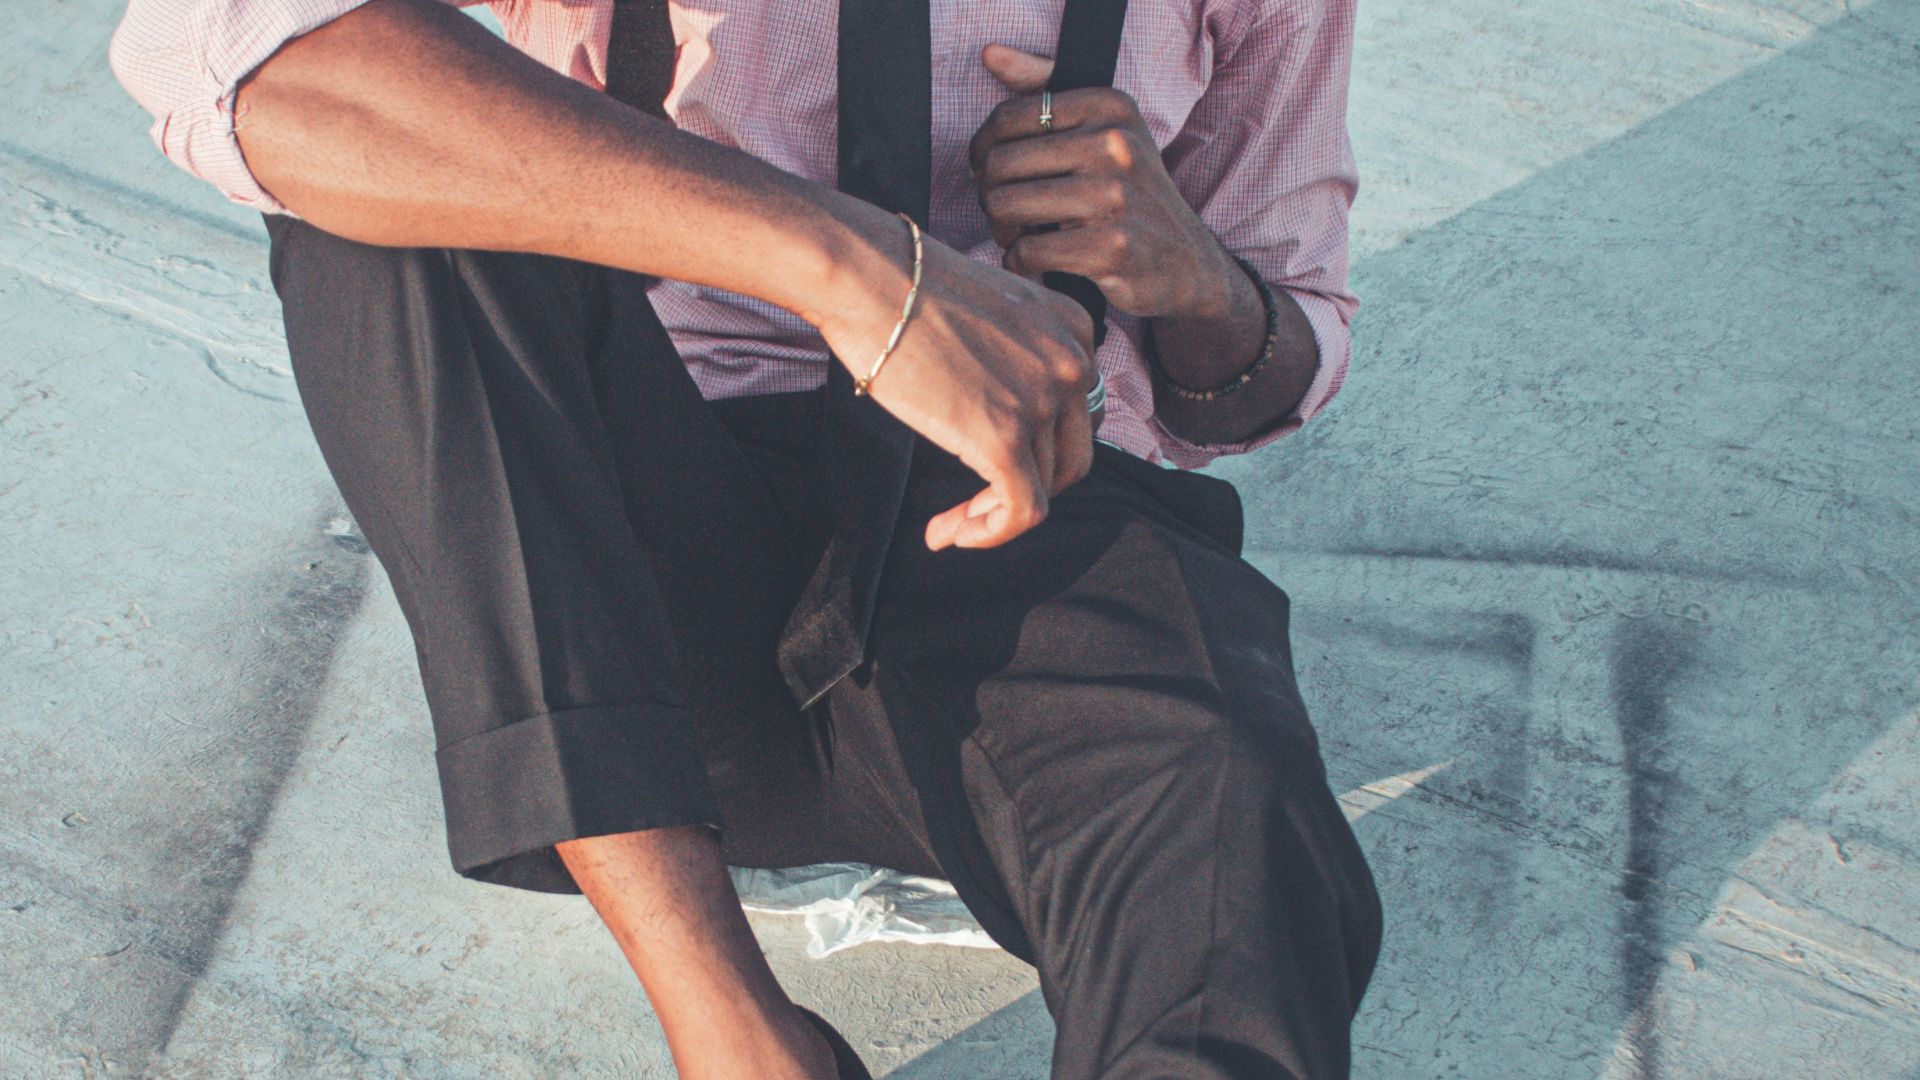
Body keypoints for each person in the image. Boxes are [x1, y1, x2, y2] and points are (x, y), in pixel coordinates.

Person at [109, 0, 1382, 1075]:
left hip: (1022, 525)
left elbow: (1275, 359)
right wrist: (858, 269)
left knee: (1225, 831)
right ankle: (735, 1034)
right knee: (390, 191)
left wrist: (1196, 277)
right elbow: (240, 59)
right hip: (639, 581)